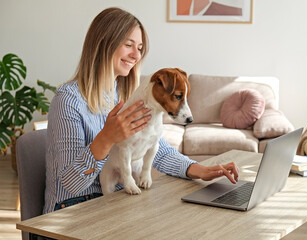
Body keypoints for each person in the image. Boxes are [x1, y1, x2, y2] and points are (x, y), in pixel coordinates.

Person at [43, 7, 239, 214]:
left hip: (116, 200)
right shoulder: (68, 100)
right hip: (73, 210)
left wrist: (199, 170)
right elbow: (70, 185)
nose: (136, 55)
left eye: (140, 48)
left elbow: (155, 147)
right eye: (128, 45)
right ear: (103, 44)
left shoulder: (126, 95)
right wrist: (106, 139)